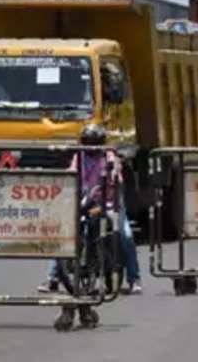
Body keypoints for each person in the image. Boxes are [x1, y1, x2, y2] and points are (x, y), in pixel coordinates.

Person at [38, 124, 142, 295]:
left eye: (95, 142)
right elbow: (72, 173)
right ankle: (52, 278)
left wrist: (114, 175)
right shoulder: (79, 156)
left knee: (126, 235)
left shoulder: (109, 156)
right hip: (85, 203)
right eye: (88, 142)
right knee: (66, 235)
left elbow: (117, 175)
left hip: (109, 204)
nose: (91, 146)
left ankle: (134, 279)